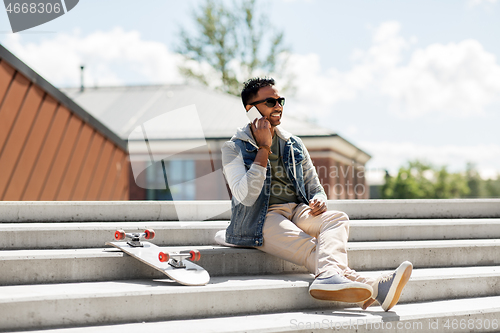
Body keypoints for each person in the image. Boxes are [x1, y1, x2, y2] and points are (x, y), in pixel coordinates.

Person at [217, 77, 412, 311]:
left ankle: (331, 277)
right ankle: (373, 286)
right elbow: (245, 196)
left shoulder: (294, 144)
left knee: (337, 218)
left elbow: (314, 186)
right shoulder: (233, 149)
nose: (278, 106)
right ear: (251, 110)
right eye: (270, 101)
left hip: (298, 210)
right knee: (313, 247)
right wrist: (264, 148)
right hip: (260, 218)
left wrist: (319, 198)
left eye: (280, 100)